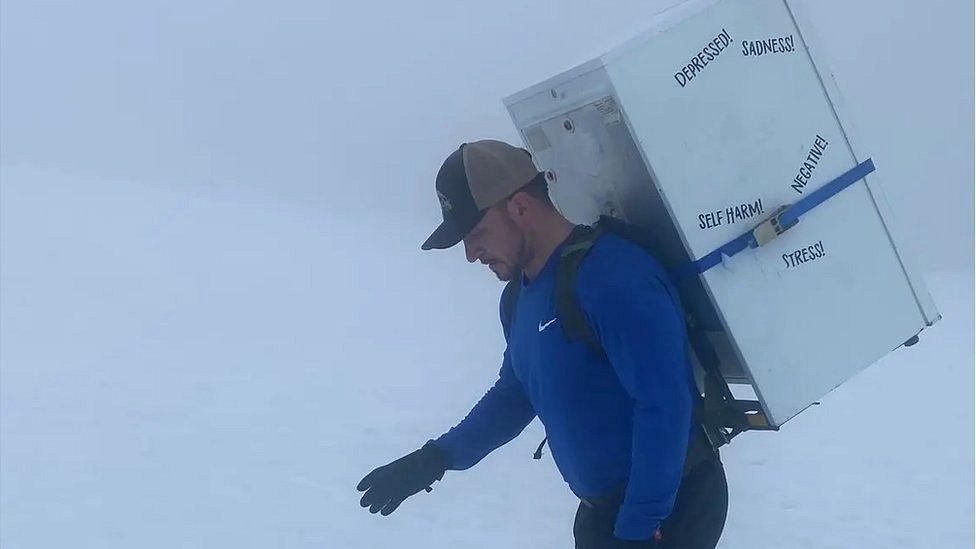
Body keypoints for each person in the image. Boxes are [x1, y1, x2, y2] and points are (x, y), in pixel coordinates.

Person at [357, 139, 728, 548]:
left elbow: (664, 403)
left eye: (476, 233)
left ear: (519, 207)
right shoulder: (518, 298)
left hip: (669, 509)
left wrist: (638, 529)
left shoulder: (614, 276)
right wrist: (436, 459)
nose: (470, 254)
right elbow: (515, 394)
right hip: (604, 514)